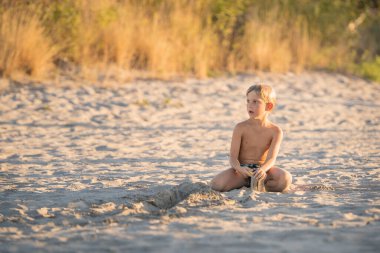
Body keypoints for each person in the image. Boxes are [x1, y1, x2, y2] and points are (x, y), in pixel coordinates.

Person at [211, 84, 292, 192]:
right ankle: (247, 183)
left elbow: (271, 159)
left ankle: (260, 184)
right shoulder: (240, 128)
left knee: (285, 179)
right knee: (216, 184)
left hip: (262, 171)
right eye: (248, 101)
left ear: (268, 106)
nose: (250, 105)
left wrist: (262, 170)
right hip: (241, 172)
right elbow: (233, 158)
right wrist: (240, 169)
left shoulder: (275, 131)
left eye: (255, 102)